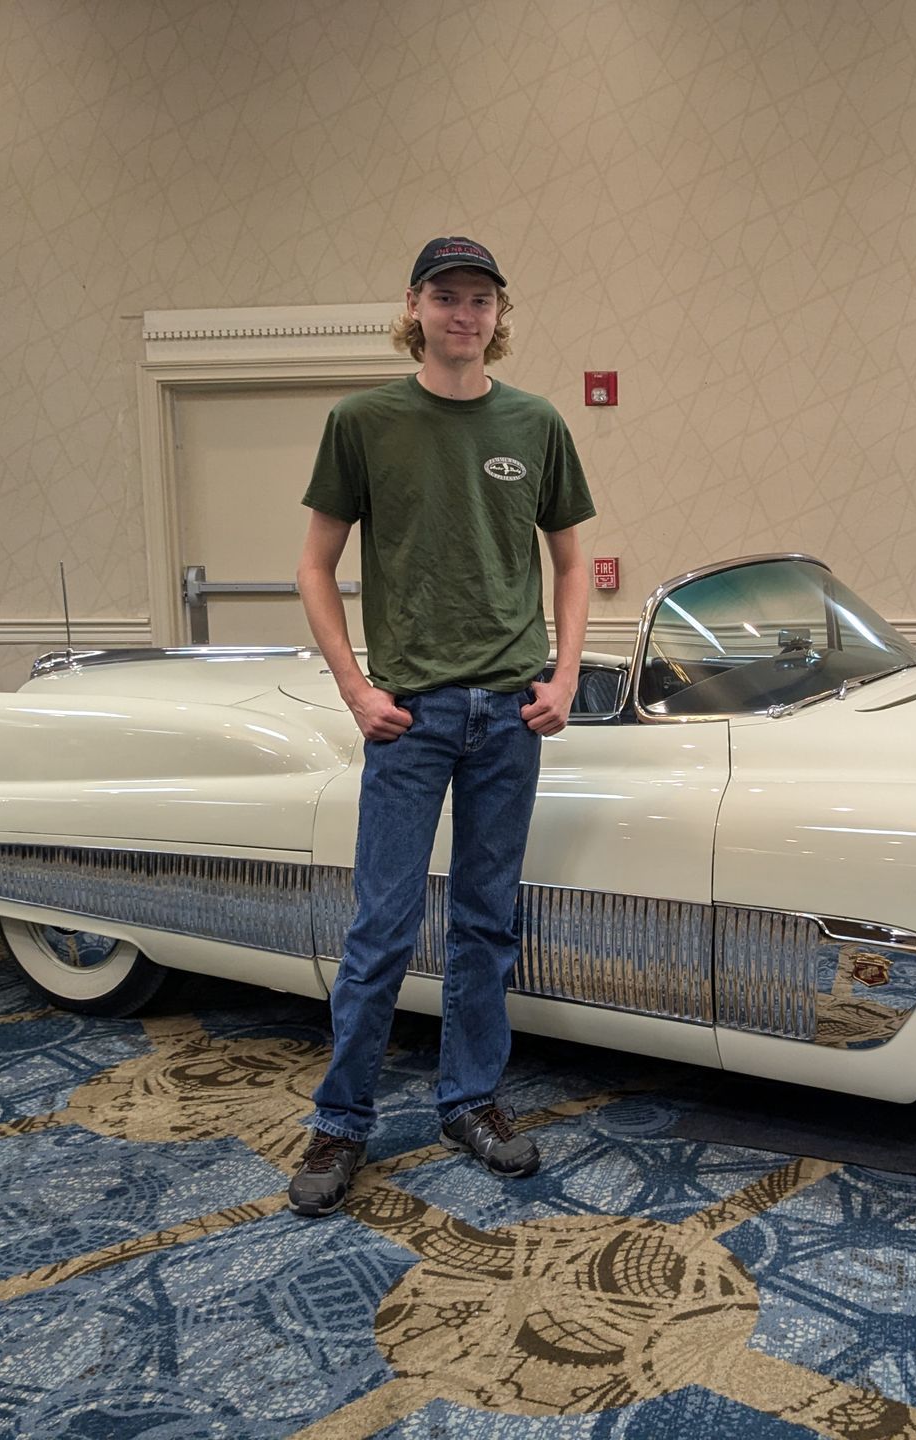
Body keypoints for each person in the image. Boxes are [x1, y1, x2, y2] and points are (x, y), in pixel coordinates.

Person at [287, 236, 595, 1217]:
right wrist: (354, 690)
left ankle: (470, 1102)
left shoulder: (536, 423)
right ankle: (342, 1123)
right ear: (414, 306)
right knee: (380, 927)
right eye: (446, 297)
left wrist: (566, 673)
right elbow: (313, 564)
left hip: (509, 713)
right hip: (408, 719)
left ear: (501, 316)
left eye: (480, 300)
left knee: (485, 924)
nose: (464, 315)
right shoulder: (364, 422)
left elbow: (575, 564)